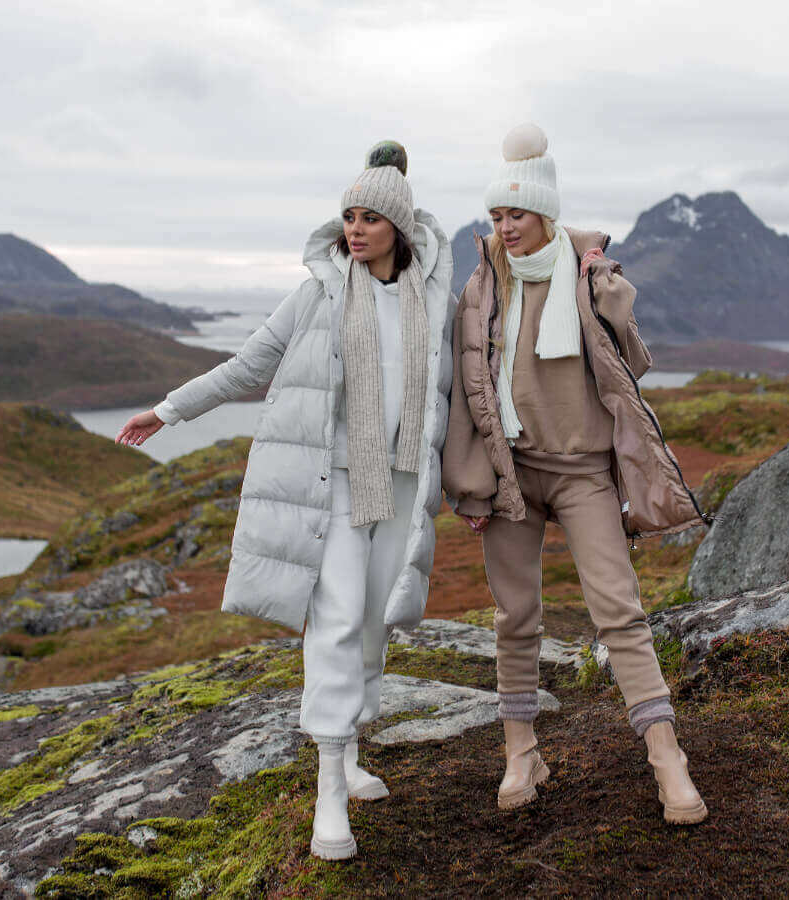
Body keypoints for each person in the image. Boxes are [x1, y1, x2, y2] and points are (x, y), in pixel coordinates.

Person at [116, 142, 455, 859]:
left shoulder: (434, 303)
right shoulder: (320, 293)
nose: (354, 229)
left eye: (369, 218)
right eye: (347, 217)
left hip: (398, 485)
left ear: (398, 226)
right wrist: (169, 411)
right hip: (329, 486)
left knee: (371, 624)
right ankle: (329, 792)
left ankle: (352, 749)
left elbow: (460, 394)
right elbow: (249, 364)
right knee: (333, 621)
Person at [442, 123, 710, 824]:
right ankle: (520, 751)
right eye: (497, 217)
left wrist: (609, 291)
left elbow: (634, 363)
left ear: (545, 214)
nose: (505, 228)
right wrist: (470, 482)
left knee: (619, 612)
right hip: (511, 475)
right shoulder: (483, 284)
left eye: (517, 216)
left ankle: (666, 758)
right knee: (516, 617)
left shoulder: (587, 274)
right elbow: (468, 390)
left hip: (584, 471)